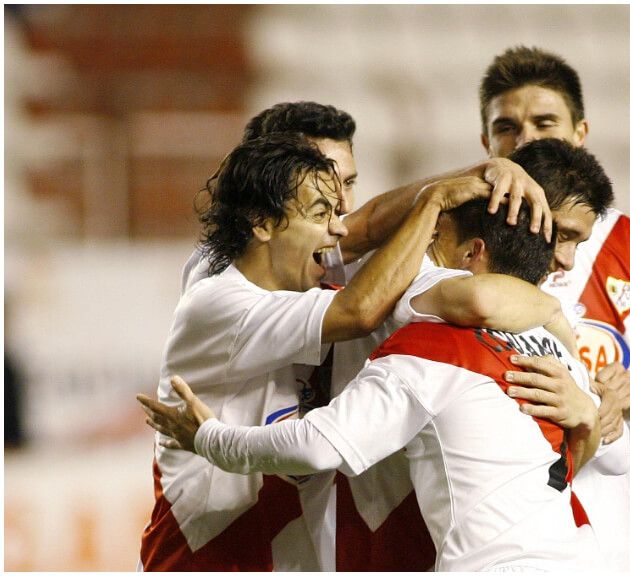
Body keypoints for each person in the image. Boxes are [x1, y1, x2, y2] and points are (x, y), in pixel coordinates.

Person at [150, 102, 567, 571]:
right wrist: (438, 197)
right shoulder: (220, 287)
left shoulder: (322, 266)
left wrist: (563, 339)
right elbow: (365, 305)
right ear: (263, 212)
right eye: (323, 199)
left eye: (347, 186)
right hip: (210, 547)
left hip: (292, 544)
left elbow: (382, 238)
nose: (343, 217)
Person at [477, 45, 630, 571]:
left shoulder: (624, 240)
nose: (525, 138)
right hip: (495, 520)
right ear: (486, 143)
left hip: (606, 528)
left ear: (580, 134)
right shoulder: (465, 242)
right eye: (507, 127)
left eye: (544, 121)